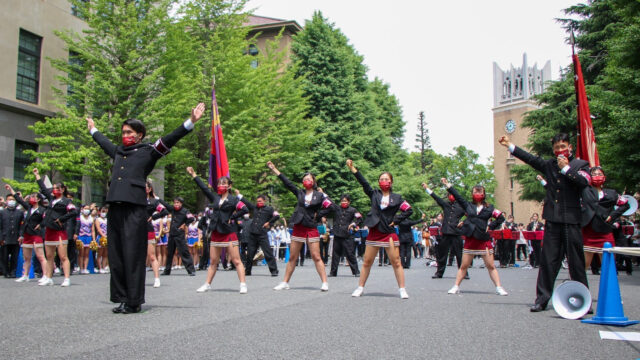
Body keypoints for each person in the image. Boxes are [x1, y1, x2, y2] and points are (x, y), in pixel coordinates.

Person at [87, 102, 204, 314]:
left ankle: (134, 301)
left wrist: (190, 122)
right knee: (117, 255)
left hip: (134, 209)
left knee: (132, 254)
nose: (125, 135)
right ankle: (121, 298)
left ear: (139, 135)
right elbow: (104, 143)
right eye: (123, 132)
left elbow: (170, 138)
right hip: (115, 207)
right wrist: (93, 129)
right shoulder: (119, 152)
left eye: (129, 132)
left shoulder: (148, 151)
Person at [499, 133, 590, 312]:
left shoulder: (581, 164)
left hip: (571, 220)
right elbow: (531, 159)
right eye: (556, 148)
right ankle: (542, 299)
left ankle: (583, 299)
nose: (559, 151)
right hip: (553, 219)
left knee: (576, 262)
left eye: (563, 146)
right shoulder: (549, 164)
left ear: (570, 147)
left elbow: (583, 183)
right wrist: (510, 145)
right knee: (548, 261)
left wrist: (566, 169)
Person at [346, 159, 412, 299]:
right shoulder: (374, 194)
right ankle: (360, 287)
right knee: (367, 261)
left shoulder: (397, 198)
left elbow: (409, 210)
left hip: (388, 233)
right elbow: (364, 183)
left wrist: (396, 220)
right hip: (374, 232)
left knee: (396, 262)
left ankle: (402, 289)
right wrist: (353, 169)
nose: (384, 181)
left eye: (386, 179)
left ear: (391, 182)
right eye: (381, 179)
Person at [267, 161, 333, 291]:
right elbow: (288, 183)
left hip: (311, 226)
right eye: (304, 179)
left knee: (316, 256)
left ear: (313, 182)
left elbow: (331, 206)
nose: (306, 181)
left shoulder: (320, 195)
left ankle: (324, 282)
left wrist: (318, 215)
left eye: (309, 179)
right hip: (298, 226)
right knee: (292, 257)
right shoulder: (300, 193)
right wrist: (274, 169)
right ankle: (285, 282)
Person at [437, 178, 507, 295]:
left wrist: (491, 226)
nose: (477, 194)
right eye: (475, 192)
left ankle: (499, 287)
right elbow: (457, 196)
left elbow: (501, 218)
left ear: (484, 194)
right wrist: (447, 185)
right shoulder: (468, 205)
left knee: (491, 265)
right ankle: (456, 286)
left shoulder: (490, 208)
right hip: (470, 238)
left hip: (483, 239)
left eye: (480, 192)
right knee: (464, 265)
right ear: (472, 194)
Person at [187, 167, 248, 294]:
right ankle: (207, 284)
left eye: (224, 183)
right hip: (215, 232)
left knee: (236, 260)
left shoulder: (234, 200)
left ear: (229, 186)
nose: (221, 185)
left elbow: (245, 209)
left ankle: (243, 284)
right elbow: (204, 188)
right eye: (220, 183)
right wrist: (194, 175)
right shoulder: (215, 198)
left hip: (229, 232)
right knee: (213, 261)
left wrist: (232, 217)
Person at [34, 169, 77, 286]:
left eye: (58, 188)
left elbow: (74, 211)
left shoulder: (67, 201)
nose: (55, 190)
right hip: (49, 230)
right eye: (54, 188)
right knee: (49, 256)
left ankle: (67, 278)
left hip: (60, 231)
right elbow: (43, 188)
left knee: (63, 256)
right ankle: (48, 277)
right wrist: (37, 175)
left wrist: (61, 219)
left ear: (63, 189)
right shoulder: (51, 199)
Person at [580, 166, 629, 270]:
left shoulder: (612, 193)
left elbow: (625, 204)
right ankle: (577, 285)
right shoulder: (584, 191)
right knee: (584, 264)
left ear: (604, 177)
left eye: (600, 174)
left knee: (608, 265)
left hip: (605, 231)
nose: (597, 176)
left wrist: (612, 216)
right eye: (594, 174)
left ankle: (609, 285)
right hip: (588, 231)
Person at [423, 183, 467, 279]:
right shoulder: (446, 205)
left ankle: (464, 273)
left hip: (456, 232)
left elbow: (471, 215)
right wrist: (427, 189)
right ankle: (439, 272)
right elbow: (436, 198)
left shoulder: (461, 206)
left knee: (459, 254)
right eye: (449, 195)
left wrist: (463, 222)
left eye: (452, 195)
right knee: (442, 254)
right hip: (446, 232)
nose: (450, 196)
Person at [9, 186, 47, 283]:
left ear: (38, 199)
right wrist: (11, 189)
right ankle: (25, 275)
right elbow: (19, 200)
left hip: (37, 234)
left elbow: (47, 220)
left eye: (33, 197)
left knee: (40, 256)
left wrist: (41, 225)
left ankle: (46, 275)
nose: (31, 198)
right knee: (27, 257)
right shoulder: (29, 208)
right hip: (27, 234)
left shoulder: (42, 210)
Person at [236, 193, 280, 277]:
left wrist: (269, 222)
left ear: (264, 201)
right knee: (250, 254)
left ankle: (274, 270)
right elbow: (247, 203)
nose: (258, 202)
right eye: (257, 201)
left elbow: (277, 216)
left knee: (268, 253)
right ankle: (248, 271)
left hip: (262, 234)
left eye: (260, 201)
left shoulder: (269, 209)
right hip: (252, 234)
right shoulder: (255, 208)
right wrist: (239, 195)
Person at [324, 194, 363, 277]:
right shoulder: (337, 208)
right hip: (337, 234)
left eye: (345, 201)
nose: (343, 202)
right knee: (335, 254)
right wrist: (323, 193)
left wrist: (354, 224)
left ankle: (356, 271)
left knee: (350, 254)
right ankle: (333, 272)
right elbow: (330, 201)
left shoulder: (353, 210)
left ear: (349, 202)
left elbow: (360, 219)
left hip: (347, 235)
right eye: (342, 201)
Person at [161, 196, 196, 276]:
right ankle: (167, 270)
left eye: (178, 203)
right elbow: (166, 205)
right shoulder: (173, 209)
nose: (176, 204)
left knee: (184, 252)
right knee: (169, 253)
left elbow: (192, 218)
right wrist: (157, 199)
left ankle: (191, 270)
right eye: (175, 202)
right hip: (172, 234)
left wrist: (185, 224)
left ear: (181, 203)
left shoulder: (185, 211)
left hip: (179, 234)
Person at [145, 181, 168, 288]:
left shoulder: (153, 202)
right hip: (135, 231)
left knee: (152, 256)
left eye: (145, 187)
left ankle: (157, 278)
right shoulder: (135, 200)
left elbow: (164, 211)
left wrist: (153, 217)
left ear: (149, 189)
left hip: (148, 230)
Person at [1, 187, 26, 279]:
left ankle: (13, 272)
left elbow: (22, 225)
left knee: (14, 257)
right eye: (9, 200)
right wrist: (1, 238)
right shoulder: (2, 212)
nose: (11, 201)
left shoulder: (19, 212)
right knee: (4, 256)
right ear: (6, 201)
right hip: (5, 237)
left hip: (16, 237)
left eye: (13, 200)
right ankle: (5, 272)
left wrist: (21, 235)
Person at [75, 204, 95, 274]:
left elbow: (93, 230)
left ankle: (85, 268)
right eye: (85, 208)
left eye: (88, 209)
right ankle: (81, 268)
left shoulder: (91, 218)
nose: (87, 210)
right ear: (82, 209)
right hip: (81, 236)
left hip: (88, 237)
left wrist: (94, 239)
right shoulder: (80, 217)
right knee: (81, 253)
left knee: (87, 254)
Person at [94, 206, 109, 273]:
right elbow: (98, 229)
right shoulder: (97, 219)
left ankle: (104, 267)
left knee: (105, 254)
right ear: (99, 212)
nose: (104, 213)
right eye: (103, 211)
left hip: (107, 237)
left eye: (105, 212)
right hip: (101, 238)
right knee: (100, 253)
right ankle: (100, 268)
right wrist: (103, 236)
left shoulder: (107, 220)